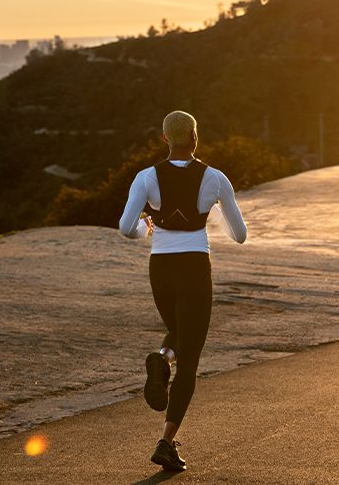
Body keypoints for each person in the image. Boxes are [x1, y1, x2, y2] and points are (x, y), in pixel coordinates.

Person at [119, 110, 247, 471]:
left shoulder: (146, 178)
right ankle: (166, 442)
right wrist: (215, 213)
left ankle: (161, 360)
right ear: (195, 137)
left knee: (179, 331)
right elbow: (240, 235)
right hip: (194, 267)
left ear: (164, 138)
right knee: (190, 357)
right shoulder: (215, 179)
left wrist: (148, 226)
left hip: (160, 269)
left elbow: (126, 228)